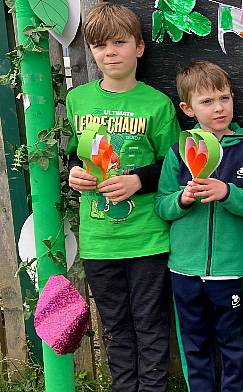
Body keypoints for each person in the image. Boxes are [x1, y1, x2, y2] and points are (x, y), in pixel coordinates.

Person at [65, 3, 181, 391]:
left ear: (139, 48)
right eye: (99, 45)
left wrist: (137, 181)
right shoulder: (77, 100)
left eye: (119, 42)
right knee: (114, 326)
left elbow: (173, 164)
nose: (109, 52)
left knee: (150, 324)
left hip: (146, 236)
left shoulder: (156, 104)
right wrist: (73, 172)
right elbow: (74, 153)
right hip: (99, 240)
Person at [154, 61, 243, 392]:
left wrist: (228, 193)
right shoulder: (178, 152)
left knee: (233, 342)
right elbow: (161, 206)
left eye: (224, 98)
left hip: (230, 268)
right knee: (193, 342)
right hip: (184, 269)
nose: (218, 108)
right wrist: (182, 199)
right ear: (187, 108)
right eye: (207, 102)